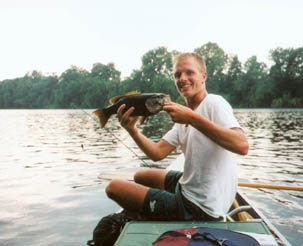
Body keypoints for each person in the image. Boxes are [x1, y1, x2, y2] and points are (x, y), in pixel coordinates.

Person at [105, 52, 249, 221]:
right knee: (141, 176)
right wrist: (133, 131)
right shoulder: (183, 116)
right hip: (193, 188)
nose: (182, 78)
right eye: (177, 75)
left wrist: (191, 118)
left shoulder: (214, 103)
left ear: (203, 76)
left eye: (189, 72)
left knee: (113, 187)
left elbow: (242, 146)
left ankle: (152, 213)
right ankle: (157, 205)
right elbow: (157, 153)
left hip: (200, 207)